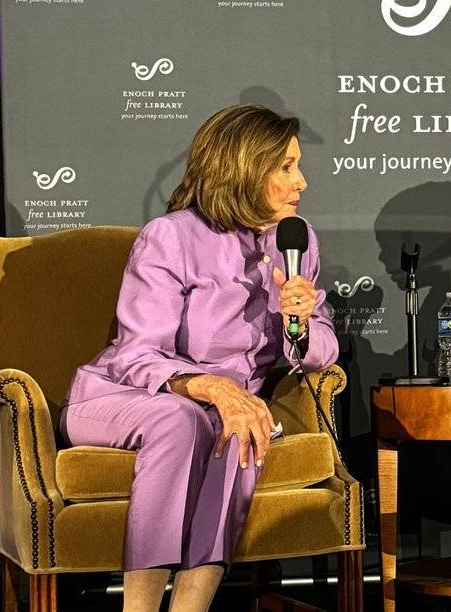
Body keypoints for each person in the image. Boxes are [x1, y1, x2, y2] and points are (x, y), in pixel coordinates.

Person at [59, 105, 338, 612]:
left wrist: (298, 318)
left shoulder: (297, 241)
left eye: (298, 165)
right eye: (286, 167)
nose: (302, 181)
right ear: (244, 169)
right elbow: (137, 355)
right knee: (181, 420)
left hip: (220, 407)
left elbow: (321, 348)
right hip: (126, 396)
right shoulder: (173, 237)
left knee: (244, 429)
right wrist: (214, 388)